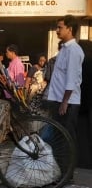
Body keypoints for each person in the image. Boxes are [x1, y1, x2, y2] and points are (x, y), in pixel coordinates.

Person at [47, 15, 84, 166]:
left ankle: (66, 176)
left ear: (70, 29)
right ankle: (60, 174)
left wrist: (64, 102)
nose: (57, 30)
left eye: (60, 27)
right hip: (58, 100)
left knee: (66, 140)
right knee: (58, 139)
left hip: (67, 102)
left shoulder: (74, 50)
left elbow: (71, 79)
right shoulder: (63, 49)